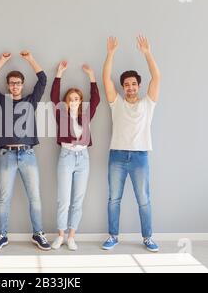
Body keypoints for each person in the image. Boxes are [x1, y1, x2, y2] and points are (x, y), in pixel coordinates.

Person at [0, 51, 51, 251]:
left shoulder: (31, 101)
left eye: (18, 83)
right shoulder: (1, 101)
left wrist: (30, 59)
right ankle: (2, 235)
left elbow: (43, 79)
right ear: (8, 85)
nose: (15, 86)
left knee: (35, 197)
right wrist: (3, 60)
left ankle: (38, 234)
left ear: (22, 85)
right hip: (7, 155)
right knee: (3, 198)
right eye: (11, 83)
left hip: (28, 154)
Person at [101, 35, 161, 252]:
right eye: (126, 85)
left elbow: (157, 78)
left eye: (133, 84)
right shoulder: (115, 103)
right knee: (113, 199)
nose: (130, 87)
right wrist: (110, 53)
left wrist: (147, 53)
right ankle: (113, 236)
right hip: (117, 156)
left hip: (140, 157)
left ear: (138, 85)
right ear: (123, 87)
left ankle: (148, 237)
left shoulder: (148, 104)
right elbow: (106, 78)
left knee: (143, 199)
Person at [50, 61, 100, 250]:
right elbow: (54, 97)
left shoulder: (86, 115)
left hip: (83, 158)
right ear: (67, 101)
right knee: (64, 199)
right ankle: (60, 235)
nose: (73, 102)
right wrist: (59, 74)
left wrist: (91, 77)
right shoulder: (60, 114)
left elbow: (96, 100)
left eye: (76, 99)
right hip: (66, 157)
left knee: (78, 200)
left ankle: (71, 236)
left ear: (80, 101)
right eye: (70, 99)